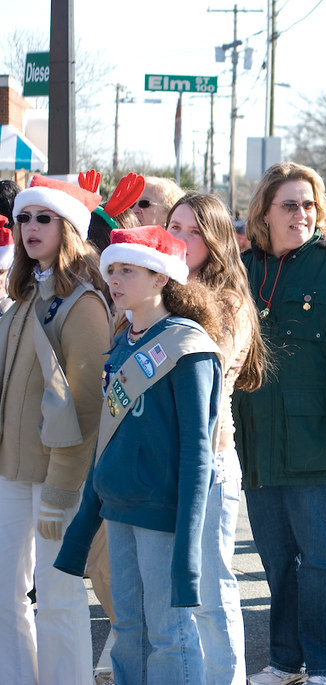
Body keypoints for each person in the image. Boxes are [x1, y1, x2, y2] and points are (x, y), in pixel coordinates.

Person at [234, 162, 326, 685]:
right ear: (264, 213)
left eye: (309, 204)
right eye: (290, 204)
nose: (301, 213)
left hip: (322, 442)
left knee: (321, 561)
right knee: (278, 562)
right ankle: (286, 661)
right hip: (257, 443)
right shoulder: (243, 269)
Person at [56, 225, 223, 681]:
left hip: (162, 513)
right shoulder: (123, 341)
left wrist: (189, 543)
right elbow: (108, 441)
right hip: (118, 510)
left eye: (127, 269)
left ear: (161, 278)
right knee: (127, 629)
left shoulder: (189, 348)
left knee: (170, 633)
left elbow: (197, 453)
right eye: (111, 269)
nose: (114, 279)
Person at [0, 175, 111, 685]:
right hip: (11, 470)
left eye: (44, 217)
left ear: (68, 227)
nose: (30, 227)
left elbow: (87, 409)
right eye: (24, 216)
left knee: (59, 594)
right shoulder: (23, 295)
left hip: (57, 477)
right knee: (5, 594)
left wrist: (62, 490)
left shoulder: (84, 303)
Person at [166, 192, 268, 684]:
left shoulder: (227, 300)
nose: (180, 238)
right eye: (174, 227)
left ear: (215, 239)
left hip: (211, 457)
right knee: (174, 595)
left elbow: (208, 367)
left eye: (191, 230)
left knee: (210, 588)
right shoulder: (159, 286)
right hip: (163, 459)